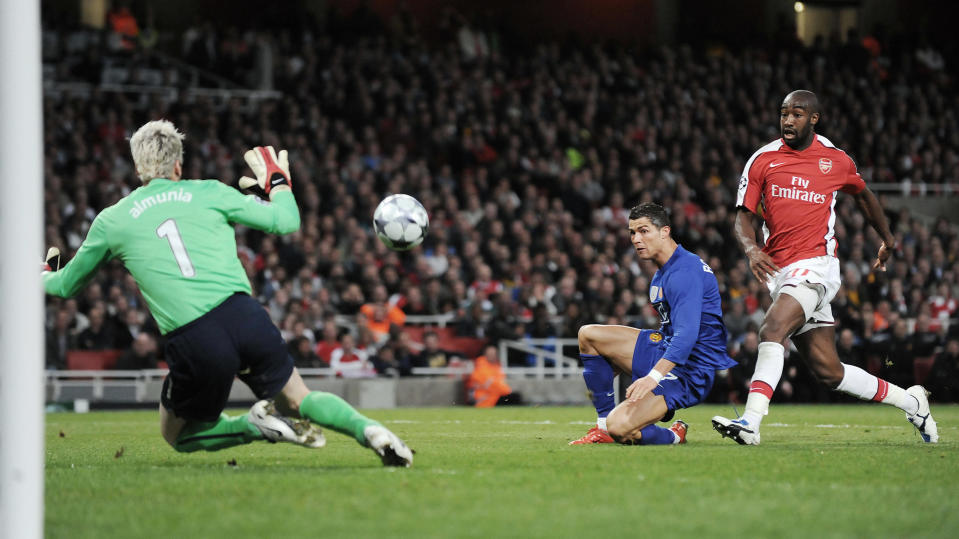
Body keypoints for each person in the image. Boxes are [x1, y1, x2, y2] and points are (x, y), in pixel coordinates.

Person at [42, 120, 412, 466]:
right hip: (245, 315)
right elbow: (287, 221)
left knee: (179, 435)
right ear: (177, 167)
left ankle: (253, 426)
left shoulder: (113, 219)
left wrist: (40, 276)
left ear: (138, 169)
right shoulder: (211, 191)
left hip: (194, 337)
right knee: (300, 398)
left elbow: (65, 285)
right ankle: (370, 430)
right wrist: (279, 184)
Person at [712, 90, 937, 445]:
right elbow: (743, 217)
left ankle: (751, 423)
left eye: (797, 114)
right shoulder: (763, 160)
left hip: (817, 266)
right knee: (829, 372)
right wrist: (751, 248)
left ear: (813, 119)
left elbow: (863, 195)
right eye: (784, 113)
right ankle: (912, 400)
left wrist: (888, 238)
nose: (788, 120)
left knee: (772, 329)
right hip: (782, 272)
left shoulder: (834, 160)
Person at [570, 202, 736, 445]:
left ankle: (673, 434)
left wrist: (652, 378)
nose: (636, 239)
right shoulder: (662, 272)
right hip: (667, 346)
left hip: (692, 369)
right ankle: (603, 427)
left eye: (644, 231)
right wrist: (613, 364)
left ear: (664, 231)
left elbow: (687, 335)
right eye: (632, 232)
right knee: (589, 335)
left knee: (622, 428)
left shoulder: (684, 272)